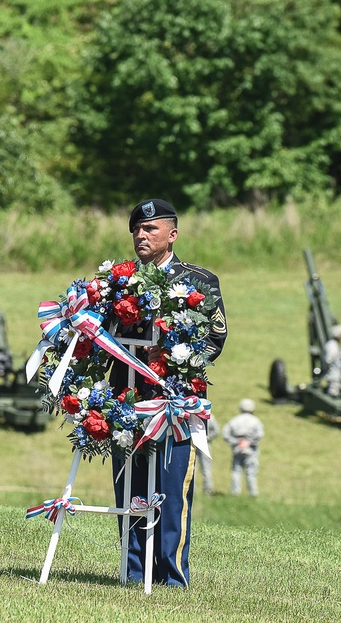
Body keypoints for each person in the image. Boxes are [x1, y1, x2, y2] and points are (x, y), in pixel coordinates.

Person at [110, 198, 228, 588]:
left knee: (171, 493)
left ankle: (171, 579)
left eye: (150, 230)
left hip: (174, 404)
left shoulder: (198, 281)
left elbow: (215, 336)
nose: (141, 236)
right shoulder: (118, 281)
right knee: (129, 489)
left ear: (172, 235)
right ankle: (134, 574)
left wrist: (177, 358)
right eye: (137, 231)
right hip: (127, 401)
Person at [222, 398, 265, 497]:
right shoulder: (255, 421)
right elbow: (260, 434)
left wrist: (236, 442)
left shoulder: (235, 420)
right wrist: (249, 442)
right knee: (251, 472)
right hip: (251, 450)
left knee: (236, 471)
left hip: (237, 449)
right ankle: (253, 493)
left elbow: (225, 433)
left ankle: (235, 492)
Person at [198, 414, 220, 496]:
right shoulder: (210, 417)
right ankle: (208, 489)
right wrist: (208, 437)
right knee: (206, 468)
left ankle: (207, 489)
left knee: (204, 468)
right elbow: (216, 430)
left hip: (201, 444)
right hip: (205, 444)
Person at [323, 324, 341, 397]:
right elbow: (328, 360)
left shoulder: (335, 345)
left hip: (336, 372)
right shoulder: (332, 346)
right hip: (333, 373)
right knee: (333, 392)